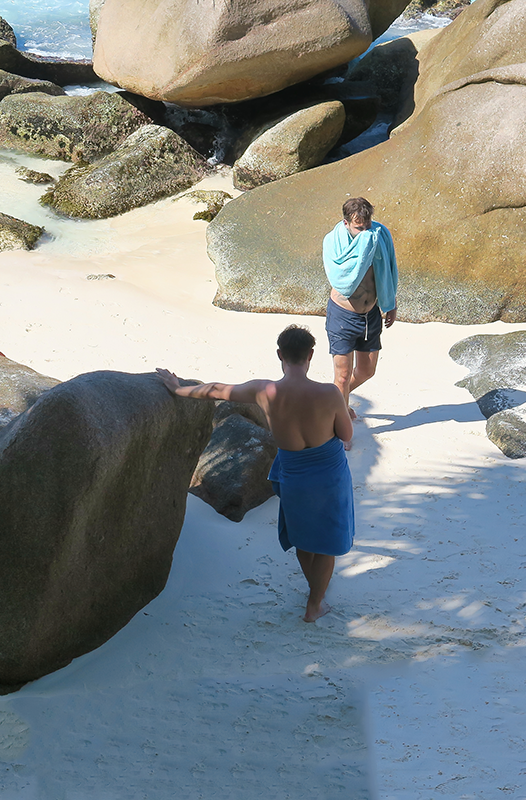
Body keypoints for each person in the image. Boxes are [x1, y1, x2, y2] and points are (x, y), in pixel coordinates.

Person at [157, 325, 355, 623]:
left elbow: (216, 390)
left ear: (280, 355)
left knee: (303, 538)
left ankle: (314, 592)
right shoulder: (328, 393)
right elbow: (346, 433)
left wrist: (177, 388)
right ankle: (315, 603)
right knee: (326, 543)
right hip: (328, 476)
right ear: (311, 355)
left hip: (294, 476)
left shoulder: (264, 391)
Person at [323, 196, 398, 419]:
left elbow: (390, 268)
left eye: (367, 227)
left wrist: (390, 302)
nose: (365, 233)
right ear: (346, 223)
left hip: (371, 315)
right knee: (343, 376)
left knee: (366, 371)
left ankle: (332, 399)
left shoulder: (379, 236)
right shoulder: (333, 242)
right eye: (358, 228)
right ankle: (340, 420)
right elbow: (339, 277)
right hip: (343, 316)